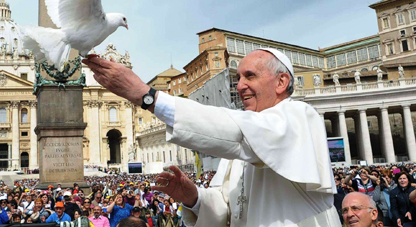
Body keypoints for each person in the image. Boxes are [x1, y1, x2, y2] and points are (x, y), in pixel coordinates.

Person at [83, 48, 340, 227]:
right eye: (238, 78)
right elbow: (227, 210)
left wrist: (146, 96)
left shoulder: (299, 116)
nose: (240, 85)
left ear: (282, 81)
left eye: (250, 76)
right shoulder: (242, 148)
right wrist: (194, 198)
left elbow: (234, 130)